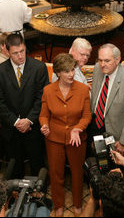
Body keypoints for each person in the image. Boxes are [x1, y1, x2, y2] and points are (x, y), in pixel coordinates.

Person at [40, 53, 91, 217]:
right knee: (56, 174)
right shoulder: (48, 90)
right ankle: (59, 204)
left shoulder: (83, 89)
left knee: (77, 173)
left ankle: (77, 204)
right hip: (54, 138)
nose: (71, 74)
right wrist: (44, 126)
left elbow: (87, 116)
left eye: (73, 70)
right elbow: (43, 115)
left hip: (77, 139)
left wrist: (78, 129)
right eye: (67, 71)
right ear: (58, 73)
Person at [0, 34, 49, 178]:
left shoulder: (39, 68)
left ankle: (38, 196)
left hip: (33, 127)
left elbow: (42, 98)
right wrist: (17, 122)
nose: (20, 56)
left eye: (22, 51)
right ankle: (16, 197)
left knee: (37, 165)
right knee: (15, 168)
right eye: (15, 53)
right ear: (6, 51)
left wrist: (28, 120)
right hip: (11, 130)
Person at [89, 44, 124, 157]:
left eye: (107, 61)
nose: (102, 65)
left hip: (116, 138)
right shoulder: (97, 69)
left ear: (118, 60)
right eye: (100, 60)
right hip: (95, 129)